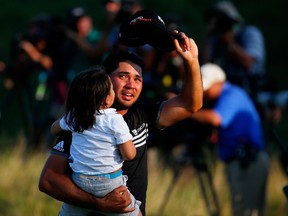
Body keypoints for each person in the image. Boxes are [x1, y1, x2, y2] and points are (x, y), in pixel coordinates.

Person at [39, 20, 203, 216]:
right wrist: (99, 203)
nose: (131, 85)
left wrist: (191, 61)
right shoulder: (84, 120)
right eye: (123, 76)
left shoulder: (143, 115)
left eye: (138, 79)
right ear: (105, 79)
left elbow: (190, 104)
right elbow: (48, 180)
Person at [50, 67, 141, 215]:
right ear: (106, 99)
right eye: (111, 88)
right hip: (110, 184)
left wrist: (67, 121)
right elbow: (129, 154)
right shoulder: (114, 119)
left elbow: (53, 129)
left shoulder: (74, 117)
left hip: (79, 182)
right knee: (133, 211)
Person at [190, 63, 269, 216]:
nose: (204, 94)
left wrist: (186, 110)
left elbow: (216, 119)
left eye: (206, 90)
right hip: (244, 160)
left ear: (218, 83)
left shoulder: (232, 94)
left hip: (247, 162)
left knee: (245, 211)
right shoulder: (227, 96)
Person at [200, 0, 266, 99]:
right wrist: (209, 34)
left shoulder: (249, 33)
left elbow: (249, 63)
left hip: (251, 91)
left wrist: (230, 44)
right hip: (223, 92)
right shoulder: (215, 40)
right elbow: (205, 64)